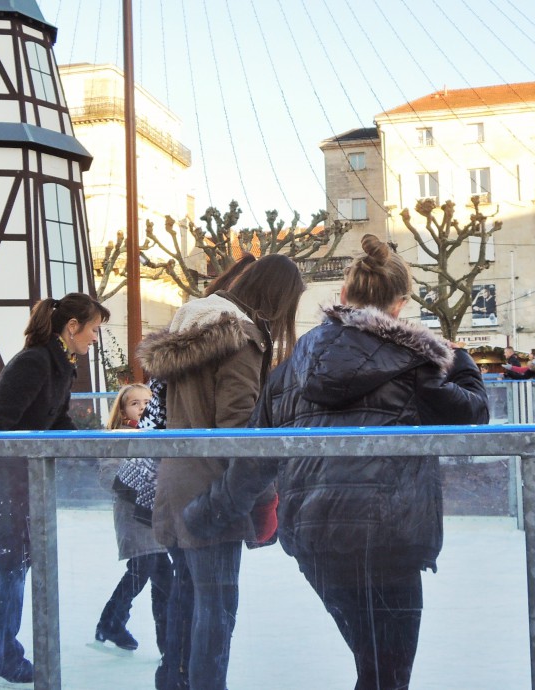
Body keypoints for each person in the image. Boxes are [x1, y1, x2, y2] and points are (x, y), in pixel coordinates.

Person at [184, 234, 489, 690]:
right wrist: (459, 358)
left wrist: (206, 513)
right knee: (387, 674)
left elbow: (254, 457)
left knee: (374, 666)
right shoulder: (417, 364)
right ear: (400, 304)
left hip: (316, 537)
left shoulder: (288, 369)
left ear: (343, 296)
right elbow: (472, 413)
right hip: (391, 538)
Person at [138, 254, 305, 690]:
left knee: (188, 595)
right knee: (217, 607)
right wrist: (265, 494)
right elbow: (239, 429)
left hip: (174, 479)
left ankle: (173, 682)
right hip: (212, 490)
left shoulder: (192, 332)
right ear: (278, 299)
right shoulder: (242, 339)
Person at [0, 293, 109, 684]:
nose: (95, 339)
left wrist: (96, 452)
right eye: (94, 330)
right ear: (72, 327)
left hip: (16, 477)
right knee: (13, 564)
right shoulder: (34, 362)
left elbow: (57, 421)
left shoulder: (61, 365)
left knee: (13, 562)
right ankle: (2, 658)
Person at [93, 383, 172, 654]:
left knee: (158, 575)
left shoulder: (158, 434)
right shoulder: (118, 437)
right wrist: (141, 488)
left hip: (156, 517)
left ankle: (117, 624)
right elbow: (107, 475)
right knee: (146, 569)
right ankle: (115, 622)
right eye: (135, 403)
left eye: (146, 402)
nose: (142, 407)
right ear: (123, 409)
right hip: (133, 517)